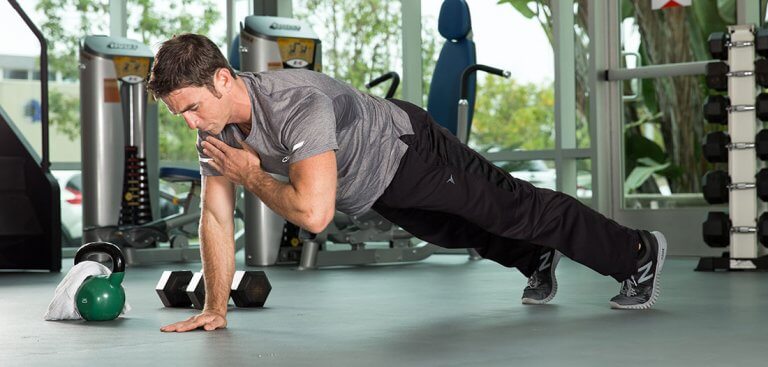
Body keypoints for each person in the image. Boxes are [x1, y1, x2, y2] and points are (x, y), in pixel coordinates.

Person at [147, 34, 667, 333]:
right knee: (454, 231)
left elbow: (314, 215)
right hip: (374, 184)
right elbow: (214, 216)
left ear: (222, 79)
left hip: (409, 149)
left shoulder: (296, 104)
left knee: (515, 208)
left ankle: (637, 252)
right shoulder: (217, 131)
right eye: (179, 115)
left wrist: (252, 175)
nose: (190, 124)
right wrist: (215, 308)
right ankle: (534, 257)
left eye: (192, 108)